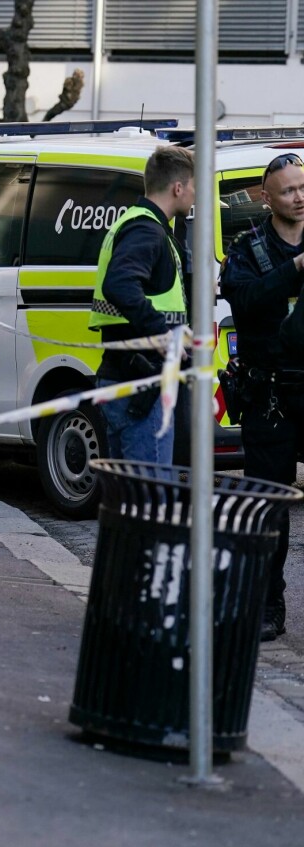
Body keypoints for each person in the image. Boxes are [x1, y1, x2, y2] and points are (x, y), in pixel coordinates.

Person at [219, 151, 304, 642]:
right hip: (269, 393)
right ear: (266, 197)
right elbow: (246, 300)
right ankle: (268, 602)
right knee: (268, 505)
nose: (298, 196)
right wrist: (295, 266)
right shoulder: (248, 249)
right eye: (288, 190)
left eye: (302, 186)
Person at [89, 146, 195, 463]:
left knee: (128, 500)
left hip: (126, 379)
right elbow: (119, 283)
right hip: (141, 385)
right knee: (148, 501)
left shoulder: (140, 223)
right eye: (193, 186)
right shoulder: (146, 229)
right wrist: (161, 332)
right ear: (178, 188)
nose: (194, 194)